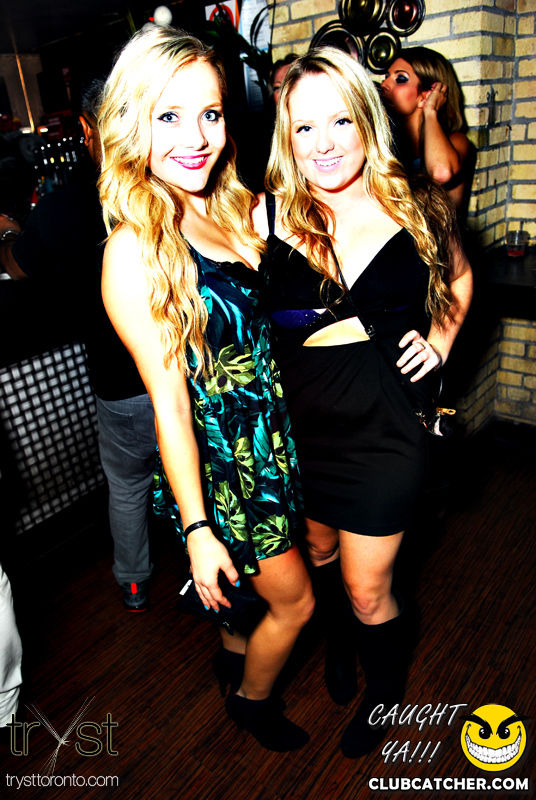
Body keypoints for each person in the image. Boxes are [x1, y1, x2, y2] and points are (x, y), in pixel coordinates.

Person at [98, 26, 314, 752]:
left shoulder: (223, 203)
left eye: (211, 114)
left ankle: (231, 661)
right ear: (131, 123)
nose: (196, 138)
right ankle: (252, 701)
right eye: (168, 116)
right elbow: (169, 405)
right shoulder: (134, 249)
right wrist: (197, 530)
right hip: (225, 470)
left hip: (272, 439)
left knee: (240, 600)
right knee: (296, 604)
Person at [255, 47, 472, 757]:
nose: (323, 144)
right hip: (301, 433)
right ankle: (340, 647)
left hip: (385, 430)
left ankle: (382, 696)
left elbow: (460, 279)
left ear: (367, 120)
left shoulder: (416, 205)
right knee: (318, 552)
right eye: (304, 127)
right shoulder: (262, 215)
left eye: (340, 121)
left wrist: (440, 341)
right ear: (286, 135)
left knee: (367, 588)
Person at [0, 81, 157, 613]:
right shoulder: (163, 188)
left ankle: (134, 583)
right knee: (200, 472)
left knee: (128, 485)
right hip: (178, 372)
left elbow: (18, 268)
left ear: (87, 129)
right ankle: (216, 571)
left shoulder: (63, 204)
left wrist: (7, 232)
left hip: (118, 384)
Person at [381, 46, 472, 212]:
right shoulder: (389, 144)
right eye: (386, 77)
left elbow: (440, 172)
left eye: (400, 79)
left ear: (427, 95)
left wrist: (430, 110)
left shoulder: (457, 141)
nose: (384, 84)